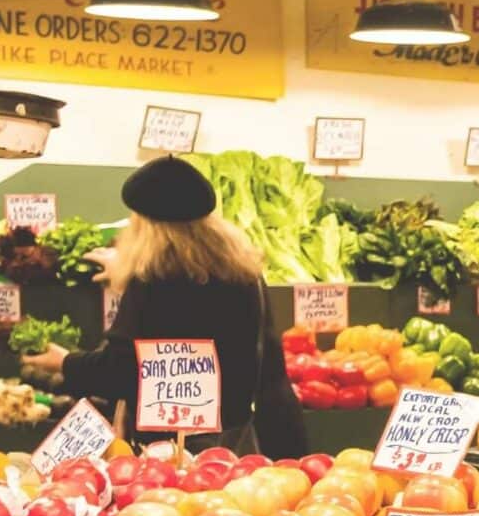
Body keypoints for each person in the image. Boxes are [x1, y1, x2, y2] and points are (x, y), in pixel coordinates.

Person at [21, 155, 307, 457]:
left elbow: (123, 370)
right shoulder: (240, 268)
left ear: (147, 226)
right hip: (247, 439)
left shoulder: (157, 281)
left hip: (179, 453)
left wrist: (64, 362)